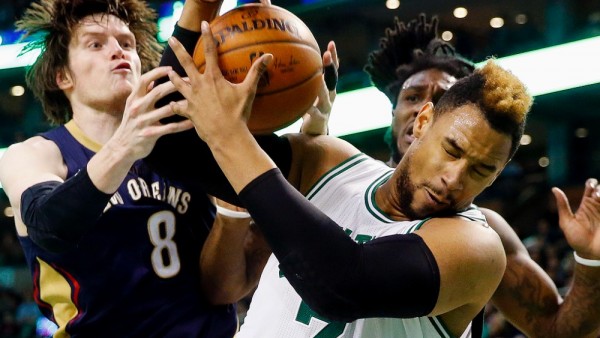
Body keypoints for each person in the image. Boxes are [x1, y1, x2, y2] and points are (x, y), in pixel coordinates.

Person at [164, 20, 549, 337]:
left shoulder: (476, 247)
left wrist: (232, 137)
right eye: (452, 150)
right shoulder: (331, 163)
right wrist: (201, 10)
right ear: (423, 121)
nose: (454, 178)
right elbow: (169, 146)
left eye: (482, 171)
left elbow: (341, 286)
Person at [0, 0, 255, 336]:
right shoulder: (34, 154)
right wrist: (124, 146)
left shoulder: (185, 149)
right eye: (95, 43)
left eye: (127, 43)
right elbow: (49, 226)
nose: (117, 51)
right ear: (63, 76)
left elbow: (227, 288)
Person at [362, 14, 600, 337]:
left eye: (440, 99)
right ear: (398, 112)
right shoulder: (342, 184)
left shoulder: (485, 233)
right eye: (413, 97)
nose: (423, 108)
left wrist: (590, 262)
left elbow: (556, 330)